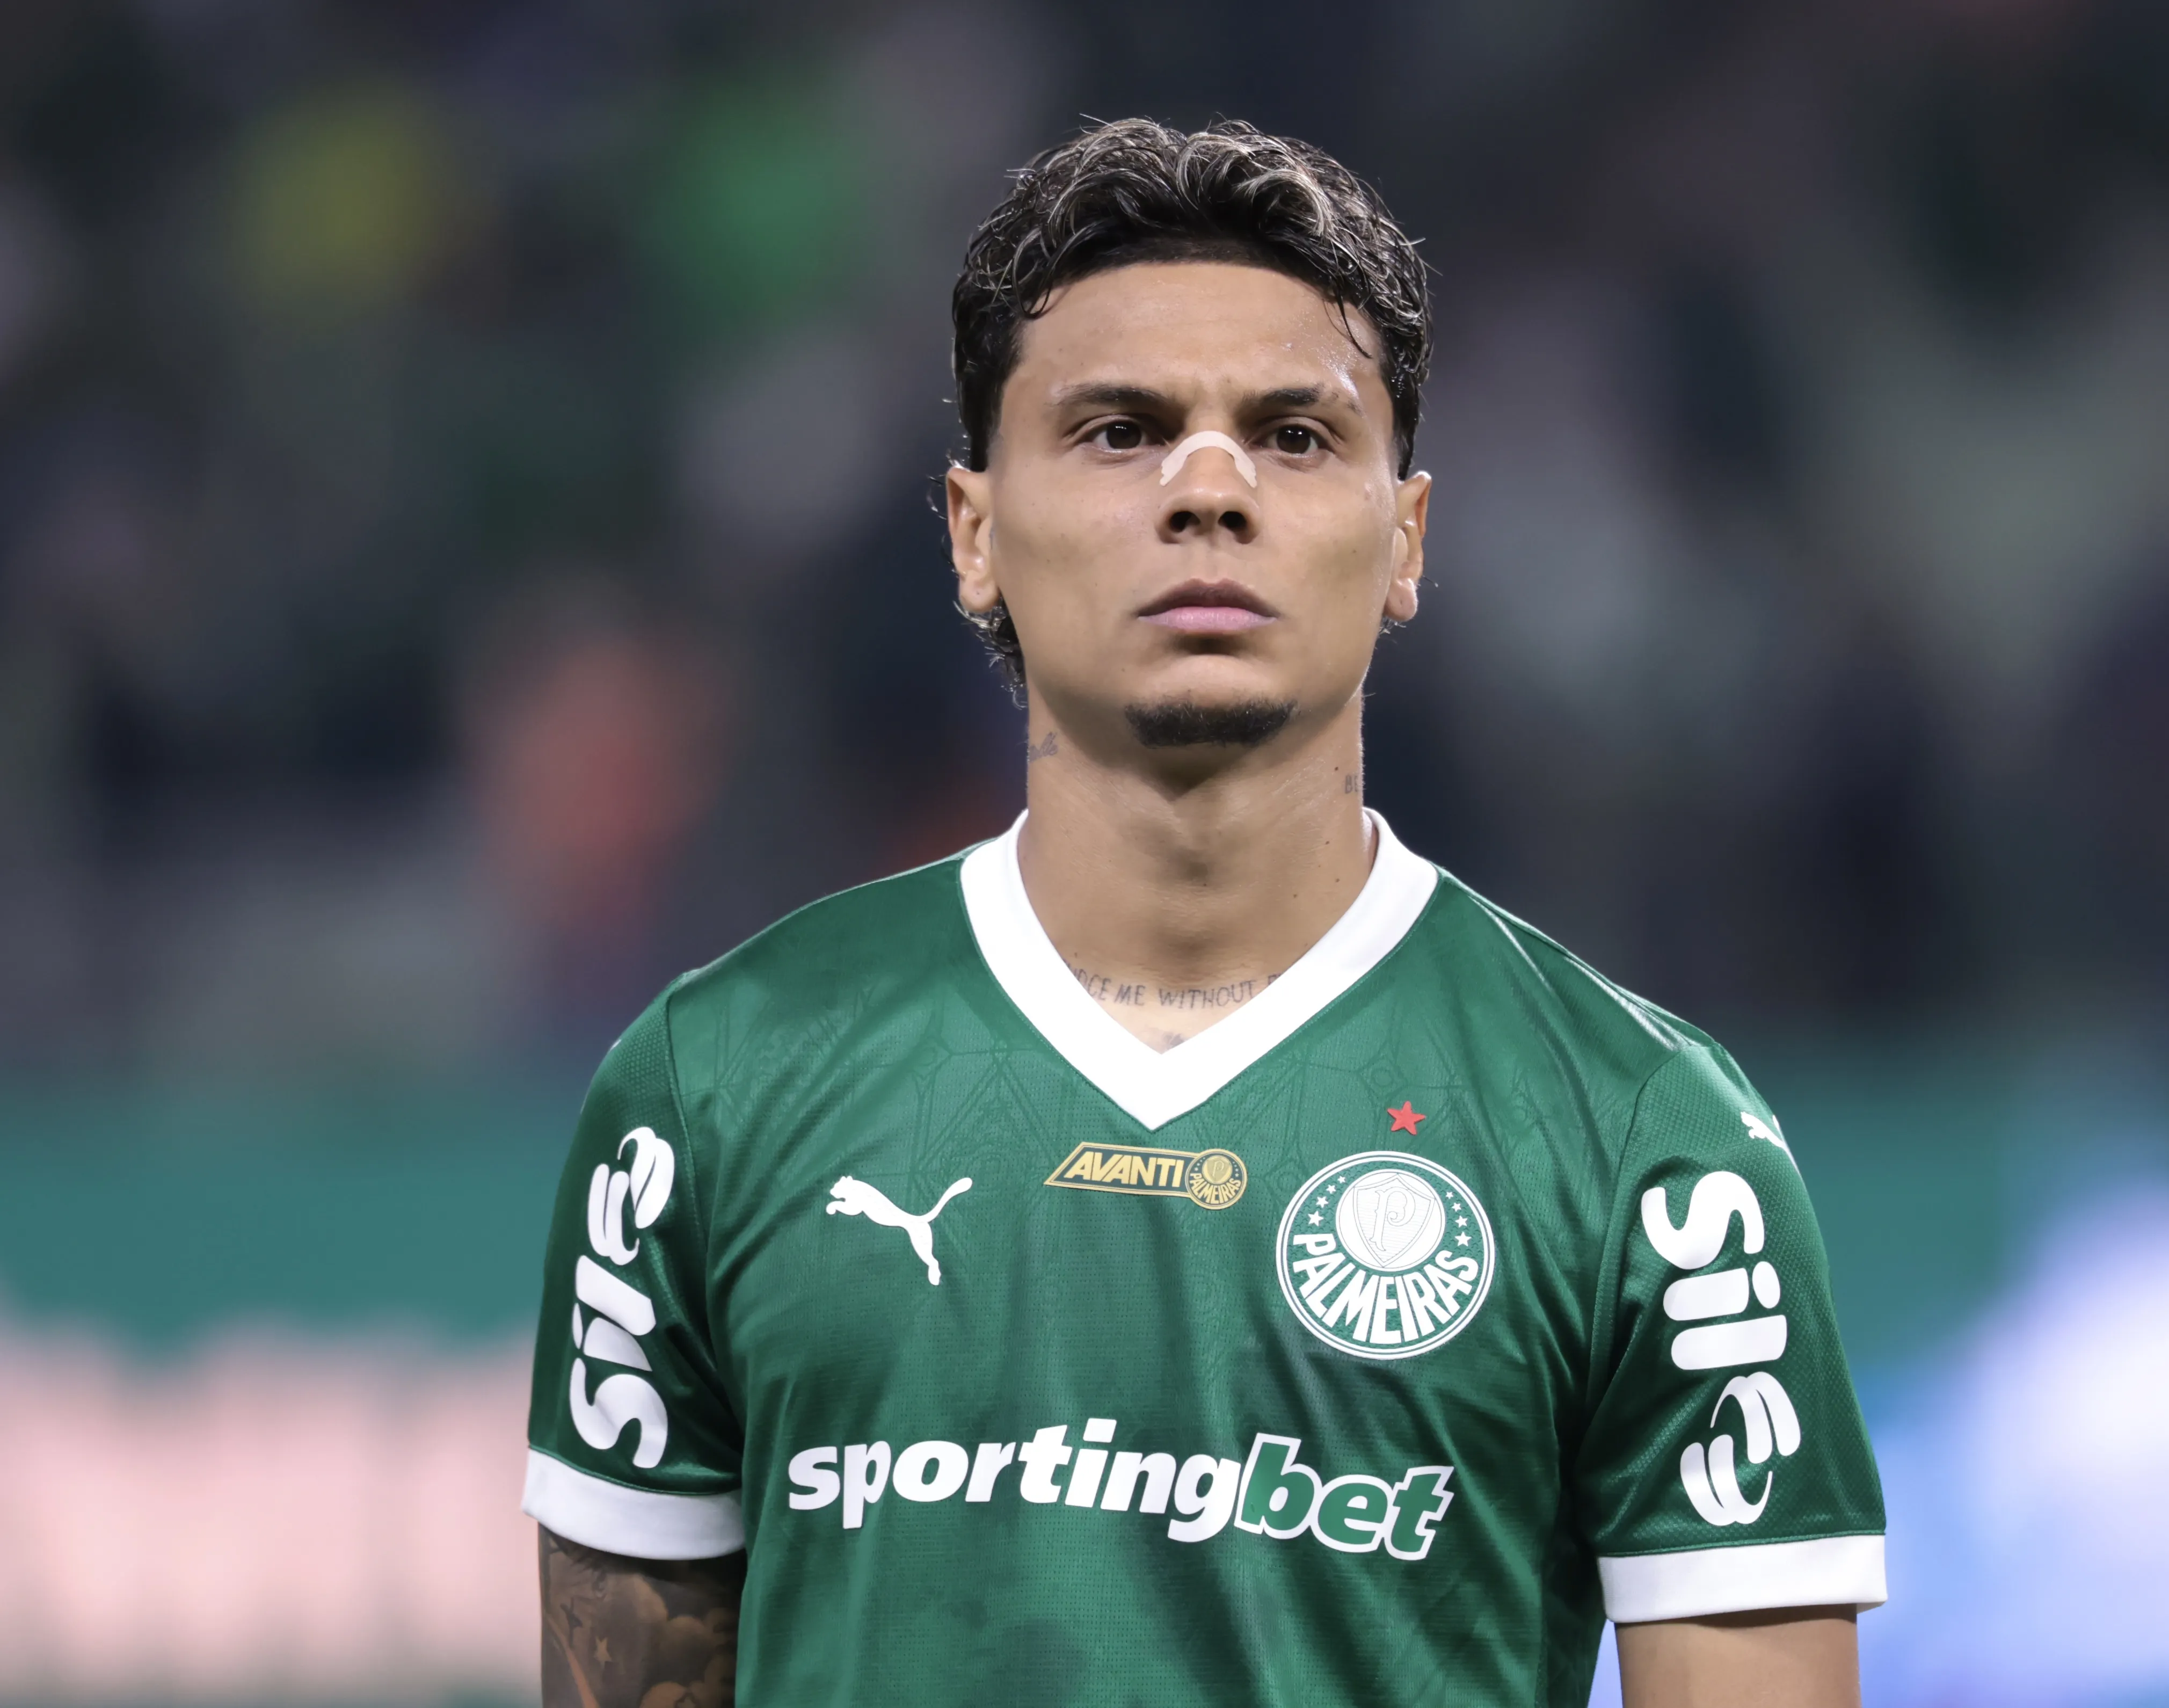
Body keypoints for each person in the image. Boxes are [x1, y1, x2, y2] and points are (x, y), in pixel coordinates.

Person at [523, 118, 1885, 1708]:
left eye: (1295, 437)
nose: (1210, 490)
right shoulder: (708, 1091)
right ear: (973, 532)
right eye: (1120, 431)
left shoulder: (1651, 1145)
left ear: (1407, 538)